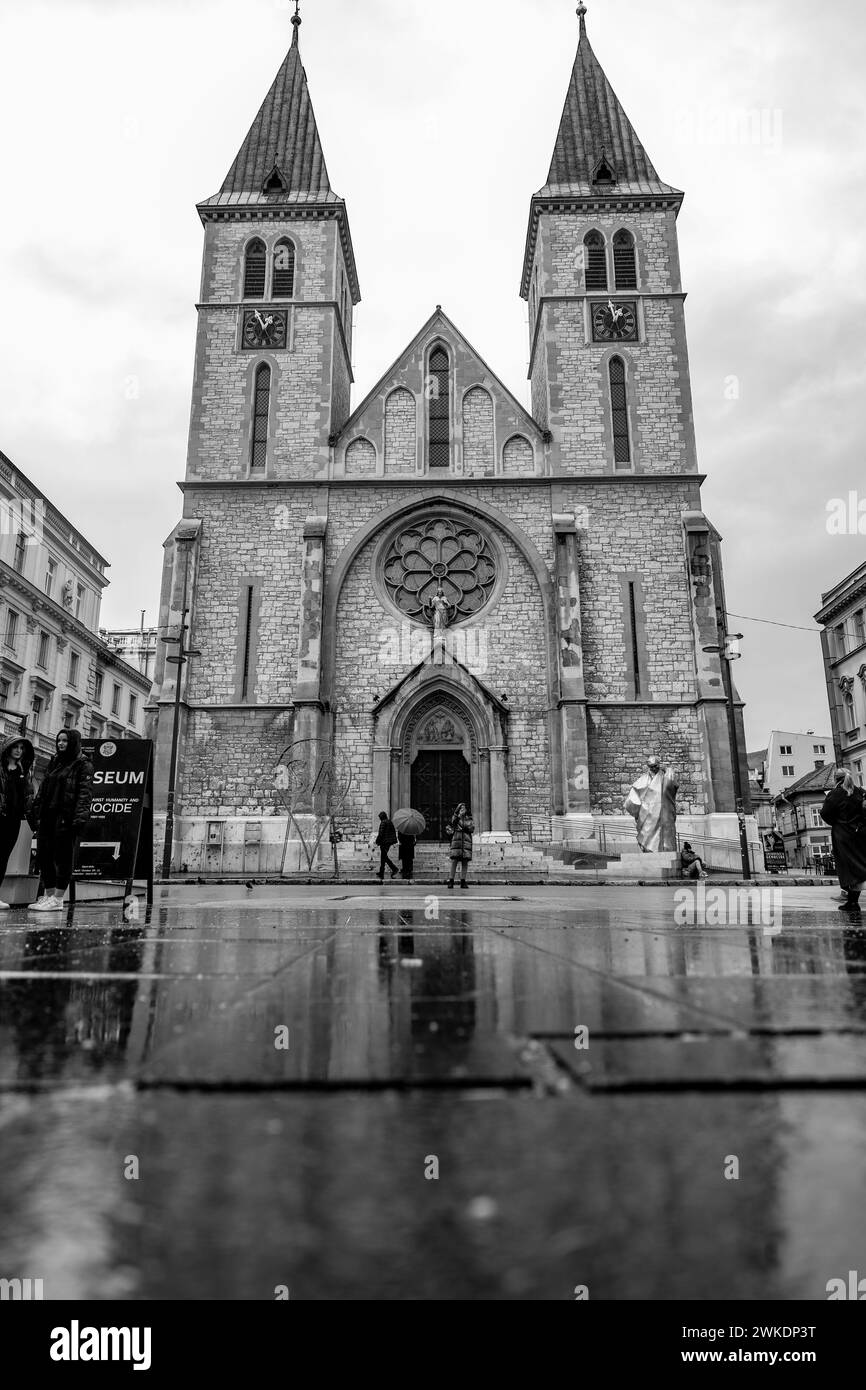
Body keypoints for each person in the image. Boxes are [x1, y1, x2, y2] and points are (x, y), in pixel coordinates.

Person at [30, 729, 94, 912]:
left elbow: (85, 794)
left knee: (63, 858)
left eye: (65, 741)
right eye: (59, 740)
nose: (61, 744)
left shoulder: (83, 764)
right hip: (48, 816)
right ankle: (49, 896)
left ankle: (58, 898)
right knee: (44, 856)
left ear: (73, 742)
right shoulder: (55, 761)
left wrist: (78, 820)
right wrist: (36, 812)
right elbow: (43, 789)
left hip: (65, 817)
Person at [820, 769, 866, 914]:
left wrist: (836, 822)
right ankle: (852, 901)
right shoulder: (860, 792)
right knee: (858, 864)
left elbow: (825, 813)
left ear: (836, 779)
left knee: (848, 867)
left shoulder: (835, 794)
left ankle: (852, 902)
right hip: (860, 832)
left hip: (843, 833)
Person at [0, 736, 36, 910]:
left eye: (22, 748)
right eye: (15, 747)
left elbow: (29, 798)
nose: (18, 750)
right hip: (0, 816)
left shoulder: (25, 771)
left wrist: (34, 822)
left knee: (2, 858)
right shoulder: (1, 769)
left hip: (13, 821)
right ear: (8, 748)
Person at [625, 756, 679, 852]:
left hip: (663, 811)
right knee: (647, 834)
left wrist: (668, 770)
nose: (653, 768)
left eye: (655, 766)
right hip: (647, 812)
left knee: (664, 836)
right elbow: (634, 794)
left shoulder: (665, 776)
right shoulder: (644, 779)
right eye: (651, 767)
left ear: (659, 764)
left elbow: (671, 785)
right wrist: (636, 809)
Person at [446, 803, 474, 890]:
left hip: (466, 841)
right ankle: (451, 881)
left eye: (464, 808)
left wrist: (465, 828)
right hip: (457, 841)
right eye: (461, 808)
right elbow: (453, 824)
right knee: (454, 861)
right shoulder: (455, 817)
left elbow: (472, 828)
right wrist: (459, 816)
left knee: (465, 862)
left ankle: (463, 881)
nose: (463, 809)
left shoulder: (469, 818)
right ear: (458, 809)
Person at [375, 811, 399, 882]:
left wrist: (377, 841)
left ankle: (394, 869)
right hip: (388, 842)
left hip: (384, 842)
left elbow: (381, 834)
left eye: (380, 817)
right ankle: (381, 872)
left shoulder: (383, 823)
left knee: (384, 857)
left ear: (381, 817)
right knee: (383, 857)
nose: (379, 819)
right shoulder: (389, 822)